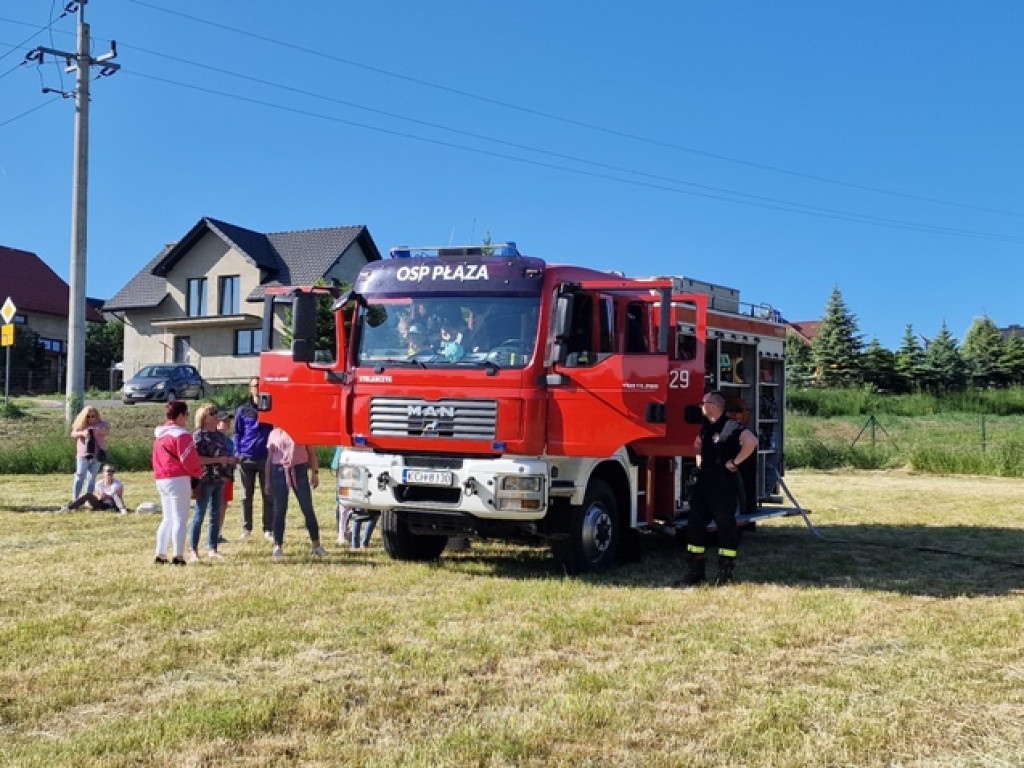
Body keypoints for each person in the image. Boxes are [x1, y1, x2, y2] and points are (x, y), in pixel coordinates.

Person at [679, 390, 758, 587]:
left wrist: (735, 462)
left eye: (703, 403)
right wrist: (698, 459)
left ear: (713, 406)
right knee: (695, 526)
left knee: (725, 528)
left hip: (723, 486)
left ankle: (725, 573)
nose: (700, 407)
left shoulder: (731, 427)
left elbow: (751, 442)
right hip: (704, 484)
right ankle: (696, 571)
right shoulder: (706, 427)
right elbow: (697, 443)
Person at [152, 400, 203, 565]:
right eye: (186, 414)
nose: (187, 417)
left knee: (167, 518)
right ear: (180, 415)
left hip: (161, 478)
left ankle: (160, 554)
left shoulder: (160, 435)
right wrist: (198, 474)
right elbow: (189, 460)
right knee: (180, 518)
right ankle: (178, 555)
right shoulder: (181, 435)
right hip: (178, 478)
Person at [265, 426, 326, 558]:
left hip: (299, 470)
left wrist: (315, 473)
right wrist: (267, 481)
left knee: (307, 508)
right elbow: (269, 459)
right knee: (279, 510)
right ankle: (277, 545)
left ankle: (316, 545)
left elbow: (311, 453)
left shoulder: (302, 430)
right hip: (279, 471)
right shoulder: (274, 433)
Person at [189, 404, 238, 562]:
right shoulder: (198, 436)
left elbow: (224, 454)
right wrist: (219, 460)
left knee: (216, 515)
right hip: (204, 480)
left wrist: (231, 460)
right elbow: (197, 460)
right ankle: (194, 550)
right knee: (199, 514)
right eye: (212, 413)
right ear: (203, 418)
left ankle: (213, 548)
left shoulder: (220, 436)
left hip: (220, 479)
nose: (216, 415)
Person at [235, 377, 275, 540]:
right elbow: (237, 432)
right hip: (246, 457)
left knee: (268, 494)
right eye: (255, 386)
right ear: (250, 389)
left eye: (260, 385)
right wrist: (238, 452)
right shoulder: (243, 410)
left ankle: (268, 528)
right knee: (246, 495)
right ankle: (247, 528)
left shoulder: (271, 407)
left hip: (266, 457)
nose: (258, 388)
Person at [69, 406, 109, 503]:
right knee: (80, 476)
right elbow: (73, 434)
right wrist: (83, 433)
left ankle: (88, 499)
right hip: (83, 454)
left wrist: (96, 431)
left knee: (92, 478)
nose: (91, 418)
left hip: (97, 454)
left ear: (97, 416)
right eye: (88, 416)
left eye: (93, 416)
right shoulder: (80, 424)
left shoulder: (102, 424)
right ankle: (75, 499)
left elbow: (107, 431)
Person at [62, 464, 128, 513]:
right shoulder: (99, 483)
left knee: (115, 495)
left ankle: (122, 510)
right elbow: (98, 497)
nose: (110, 473)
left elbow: (119, 498)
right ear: (103, 472)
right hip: (101, 504)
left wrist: (109, 497)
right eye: (108, 471)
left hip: (112, 505)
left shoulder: (118, 484)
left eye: (112, 471)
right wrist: (101, 497)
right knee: (88, 495)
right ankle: (69, 508)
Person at [216, 411, 236, 544]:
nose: (227, 423)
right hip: (217, 477)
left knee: (223, 505)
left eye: (228, 420)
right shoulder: (213, 438)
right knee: (215, 506)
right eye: (224, 420)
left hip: (228, 476)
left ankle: (218, 533)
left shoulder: (229, 440)